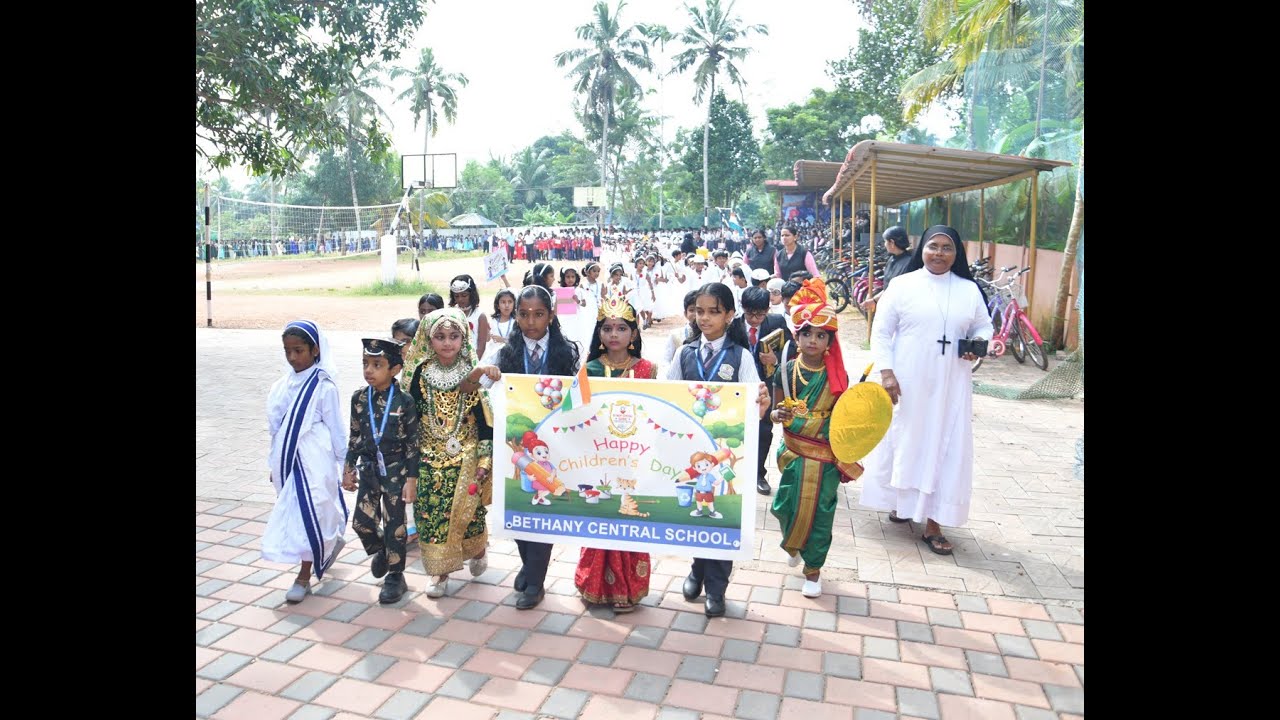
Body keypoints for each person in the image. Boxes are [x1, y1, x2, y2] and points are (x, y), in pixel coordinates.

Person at [859, 226, 992, 556]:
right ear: (922, 249)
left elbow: (983, 325)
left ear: (957, 253)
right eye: (933, 246)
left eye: (947, 248)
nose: (940, 253)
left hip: (951, 386)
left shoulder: (968, 290)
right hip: (908, 382)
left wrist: (978, 344)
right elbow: (881, 333)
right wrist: (886, 374)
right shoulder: (903, 285)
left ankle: (934, 522)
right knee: (906, 442)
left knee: (944, 448)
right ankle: (900, 502)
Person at [667, 283, 765, 618]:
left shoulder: (741, 357)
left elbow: (756, 402)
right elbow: (667, 396)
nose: (704, 318)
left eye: (713, 311)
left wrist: (762, 401)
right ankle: (697, 569)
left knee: (723, 516)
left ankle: (717, 588)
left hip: (727, 456)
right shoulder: (685, 353)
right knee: (698, 513)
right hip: (693, 454)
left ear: (729, 315)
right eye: (699, 311)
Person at [768, 278, 864, 598]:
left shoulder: (838, 376)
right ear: (797, 336)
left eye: (820, 335)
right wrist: (776, 415)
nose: (812, 340)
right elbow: (776, 407)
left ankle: (813, 570)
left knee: (821, 515)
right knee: (784, 507)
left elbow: (845, 417)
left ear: (829, 342)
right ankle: (792, 543)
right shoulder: (786, 368)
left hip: (823, 457)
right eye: (806, 333)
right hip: (793, 452)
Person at [403, 308, 501, 598]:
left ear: (464, 338)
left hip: (466, 454)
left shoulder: (473, 370)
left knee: (468, 514)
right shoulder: (420, 372)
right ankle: (439, 572)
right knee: (431, 514)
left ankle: (478, 549)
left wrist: (485, 458)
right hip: (427, 455)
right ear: (428, 339)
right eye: (441, 337)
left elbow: (484, 419)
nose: (448, 343)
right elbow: (410, 416)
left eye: (454, 336)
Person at [495, 285, 581, 609]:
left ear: (551, 315)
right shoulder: (505, 353)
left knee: (542, 509)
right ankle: (527, 565)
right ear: (515, 316)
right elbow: (485, 385)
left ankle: (536, 582)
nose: (531, 322)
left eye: (539, 314)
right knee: (519, 506)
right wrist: (488, 374)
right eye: (524, 314)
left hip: (552, 446)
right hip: (517, 445)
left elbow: (579, 393)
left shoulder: (568, 351)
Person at [573, 297, 658, 612]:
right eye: (607, 328)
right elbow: (575, 412)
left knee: (630, 520)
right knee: (599, 518)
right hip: (598, 458)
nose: (614, 334)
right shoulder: (590, 369)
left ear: (634, 334)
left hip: (635, 459)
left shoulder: (648, 370)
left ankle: (627, 589)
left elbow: (657, 414)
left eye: (622, 328)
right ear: (599, 334)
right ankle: (592, 585)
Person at [263, 321, 348, 604]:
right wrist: (272, 464)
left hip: (315, 459)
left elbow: (336, 429)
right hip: (288, 459)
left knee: (315, 508)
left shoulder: (324, 386)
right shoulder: (282, 385)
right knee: (300, 514)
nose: (292, 357)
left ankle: (304, 575)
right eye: (287, 351)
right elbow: (276, 429)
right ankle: (327, 544)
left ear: (315, 350)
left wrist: (346, 464)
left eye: (298, 351)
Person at [344, 339, 420, 604]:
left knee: (395, 526)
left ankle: (395, 578)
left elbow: (412, 444)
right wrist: (348, 468)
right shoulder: (358, 398)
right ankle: (385, 550)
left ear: (395, 369)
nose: (369, 371)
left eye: (377, 365)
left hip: (396, 472)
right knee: (361, 523)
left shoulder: (404, 401)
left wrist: (411, 480)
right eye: (366, 364)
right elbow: (354, 436)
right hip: (369, 470)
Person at [741, 287, 789, 495]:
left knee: (764, 430)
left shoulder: (777, 322)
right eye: (750, 313)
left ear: (768, 309)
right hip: (740, 386)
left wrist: (775, 359)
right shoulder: (732, 325)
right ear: (742, 309)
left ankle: (758, 474)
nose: (754, 319)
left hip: (766, 385)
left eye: (760, 314)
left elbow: (792, 347)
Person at [861, 225, 914, 312]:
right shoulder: (892, 259)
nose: (885, 245)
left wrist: (874, 300)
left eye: (885, 241)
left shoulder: (908, 264)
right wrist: (874, 299)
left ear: (892, 243)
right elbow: (887, 288)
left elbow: (894, 291)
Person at [448, 275, 491, 362]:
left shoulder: (480, 316)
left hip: (475, 360)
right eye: (456, 296)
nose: (460, 299)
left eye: (464, 295)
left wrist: (473, 366)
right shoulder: (450, 313)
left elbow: (481, 346)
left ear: (471, 294)